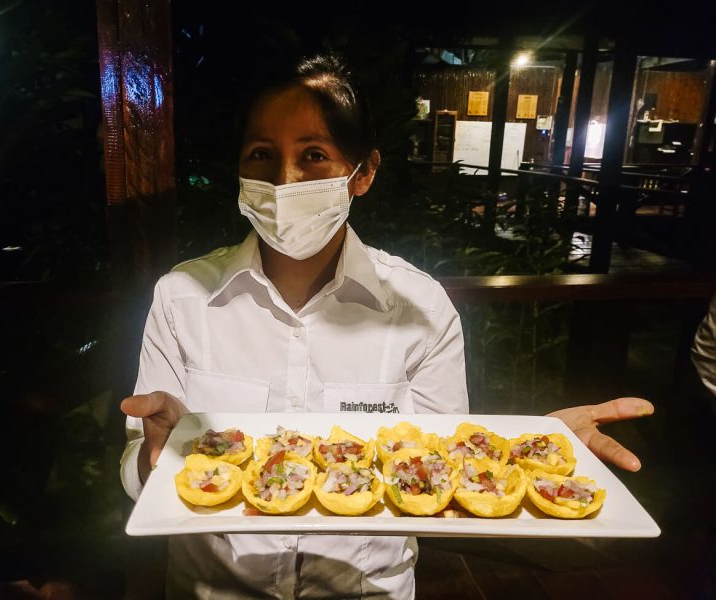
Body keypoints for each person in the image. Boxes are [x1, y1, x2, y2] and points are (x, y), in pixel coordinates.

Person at [120, 52, 654, 598]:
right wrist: (150, 457)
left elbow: (445, 470)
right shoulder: (181, 297)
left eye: (313, 155)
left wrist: (535, 450)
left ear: (364, 172)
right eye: (261, 154)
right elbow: (143, 472)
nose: (283, 180)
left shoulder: (421, 307)